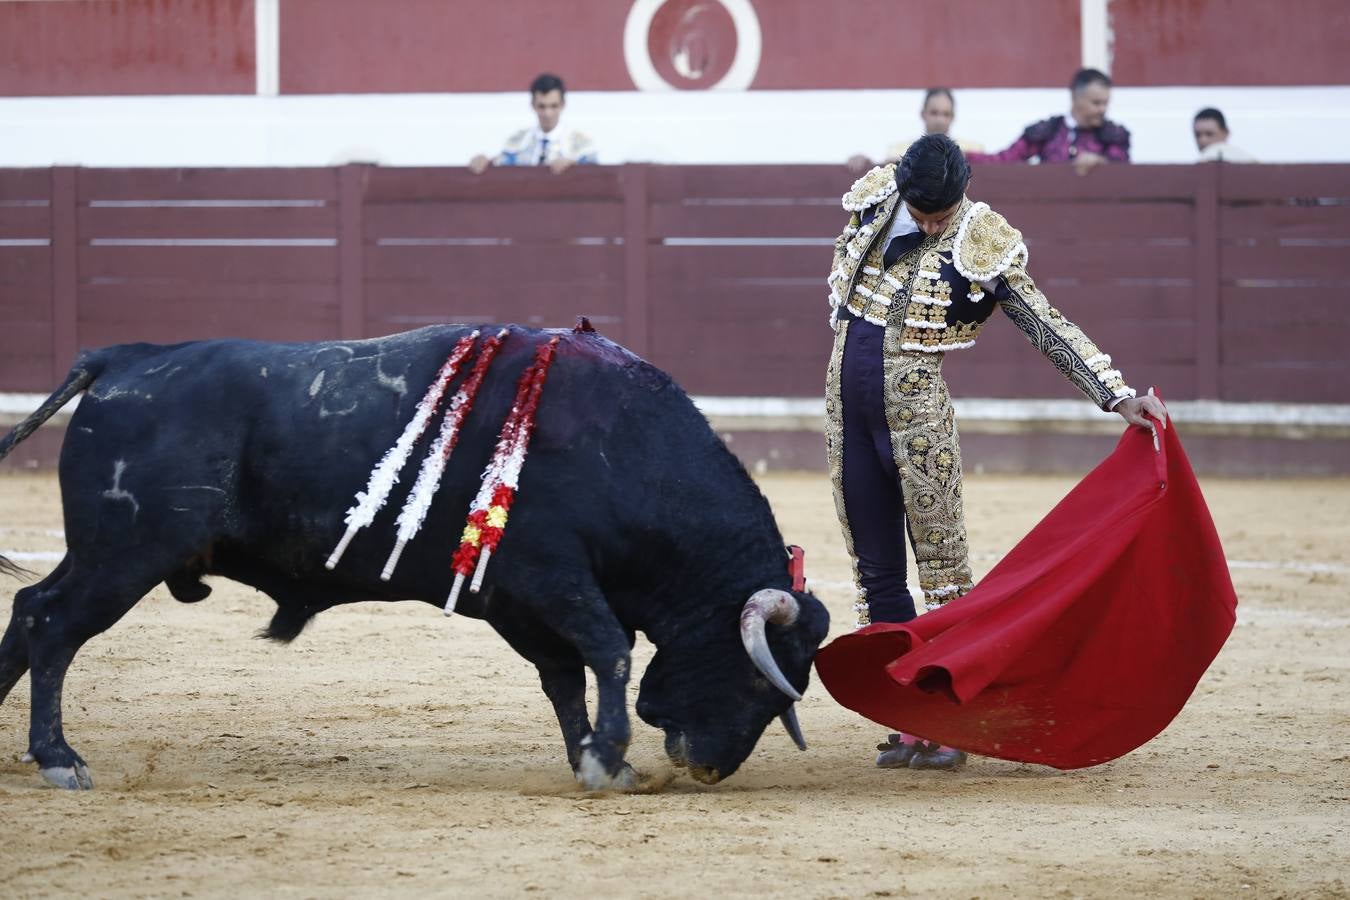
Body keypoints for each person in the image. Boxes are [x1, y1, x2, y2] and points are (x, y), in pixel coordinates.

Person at [824, 135, 1167, 769]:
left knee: (945, 574)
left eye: (942, 213)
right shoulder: (874, 202)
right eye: (924, 212)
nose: (932, 223)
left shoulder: (980, 236)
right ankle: (903, 718)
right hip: (845, 408)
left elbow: (1040, 319)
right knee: (875, 575)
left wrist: (1115, 394)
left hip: (916, 413)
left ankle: (949, 722)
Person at [968, 68, 1130, 175]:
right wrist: (963, 157)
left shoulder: (1114, 135)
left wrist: (1100, 162)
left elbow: (1123, 170)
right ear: (1075, 97)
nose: (1102, 109)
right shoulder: (1048, 130)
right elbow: (1006, 160)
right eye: (1096, 103)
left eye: (1105, 103)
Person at [469, 73, 598, 175]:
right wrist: (486, 162)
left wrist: (575, 167)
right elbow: (503, 165)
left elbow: (595, 173)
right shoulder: (518, 141)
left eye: (554, 106)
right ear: (533, 105)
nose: (548, 113)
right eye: (542, 106)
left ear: (563, 105)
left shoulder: (581, 143)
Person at [848, 88, 984, 174]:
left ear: (952, 117)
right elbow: (884, 174)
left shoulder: (974, 150)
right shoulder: (897, 150)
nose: (940, 120)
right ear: (923, 114)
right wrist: (866, 163)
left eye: (945, 114)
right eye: (934, 113)